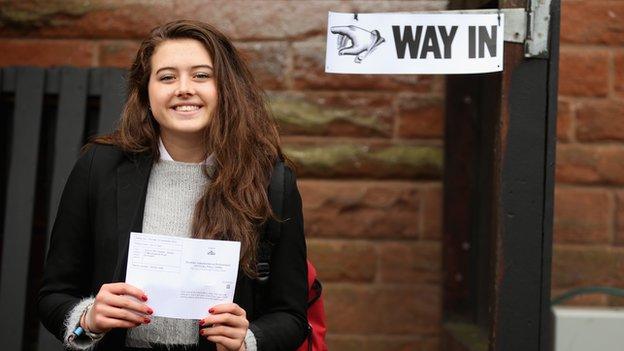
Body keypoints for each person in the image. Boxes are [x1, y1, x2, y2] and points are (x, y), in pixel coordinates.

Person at [37, 19, 308, 351]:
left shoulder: (271, 180)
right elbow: (54, 295)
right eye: (167, 77)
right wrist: (88, 319)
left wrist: (249, 340)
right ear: (145, 91)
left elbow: (292, 316)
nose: (184, 88)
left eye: (201, 75)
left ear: (226, 88)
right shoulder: (100, 167)